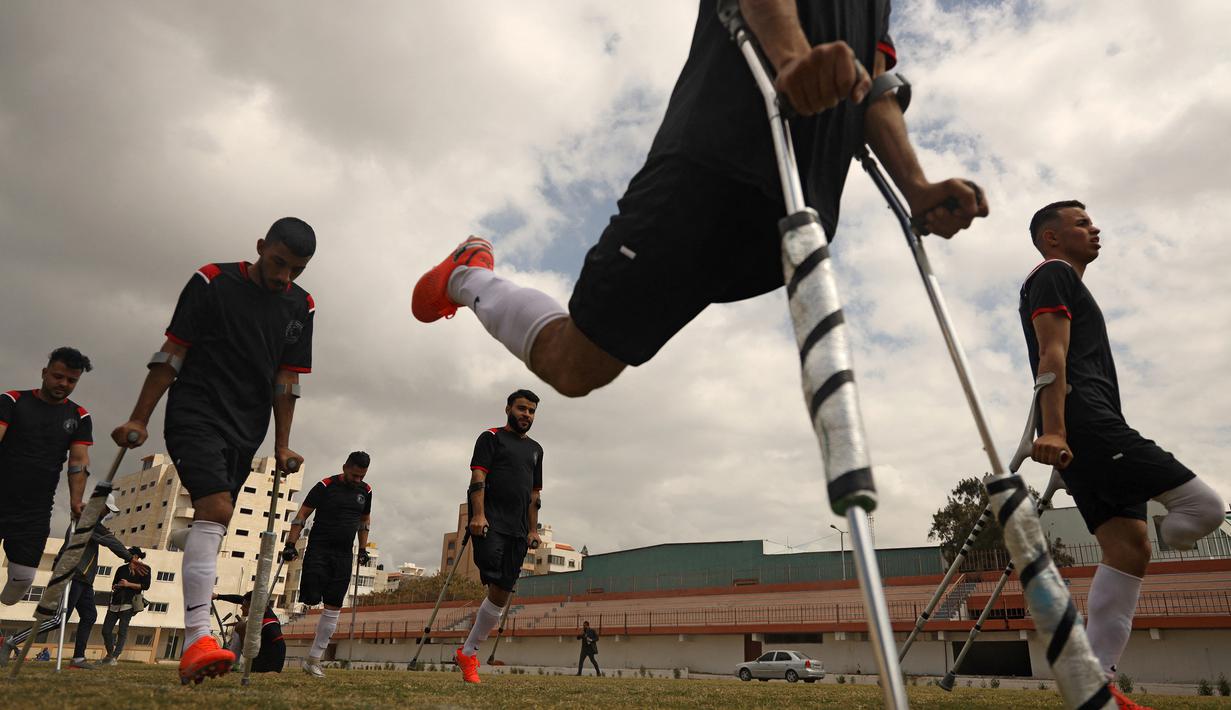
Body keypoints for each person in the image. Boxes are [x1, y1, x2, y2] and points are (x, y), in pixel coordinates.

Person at [412, 0, 988, 398]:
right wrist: (792, 59)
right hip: (712, 166)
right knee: (574, 366)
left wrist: (917, 186)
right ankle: (469, 276)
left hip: (797, 211)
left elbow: (876, 85)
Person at [1021, 200, 1225, 702]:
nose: (1094, 230)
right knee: (1205, 509)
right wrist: (1056, 431)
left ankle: (1095, 690)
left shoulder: (1070, 284)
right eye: (1081, 223)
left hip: (1092, 426)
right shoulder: (1052, 275)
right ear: (1051, 238)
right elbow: (1051, 353)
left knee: (1130, 549)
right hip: (1088, 425)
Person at [110, 217, 316, 685]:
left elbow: (287, 380)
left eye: (296, 269)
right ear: (260, 247)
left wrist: (282, 444)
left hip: (247, 424)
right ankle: (197, 639)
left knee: (216, 519)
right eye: (278, 263)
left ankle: (193, 580)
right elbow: (172, 352)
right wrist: (139, 418)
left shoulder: (301, 306)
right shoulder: (212, 281)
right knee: (217, 508)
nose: (284, 276)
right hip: (196, 410)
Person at [454, 390, 544, 684]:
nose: (526, 415)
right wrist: (477, 516)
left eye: (531, 411)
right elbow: (477, 478)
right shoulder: (490, 437)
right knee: (491, 570)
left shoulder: (536, 449)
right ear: (508, 409)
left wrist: (533, 529)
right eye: (521, 408)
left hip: (518, 529)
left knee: (502, 592)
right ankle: (468, 651)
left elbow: (534, 495)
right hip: (490, 522)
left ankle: (467, 653)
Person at [0, 494, 148, 668]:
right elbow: (110, 540)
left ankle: (78, 658)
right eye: (106, 509)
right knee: (57, 619)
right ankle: (11, 641)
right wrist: (129, 557)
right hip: (72, 574)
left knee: (89, 615)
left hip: (84, 579)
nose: (107, 513)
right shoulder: (86, 521)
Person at [0, 347, 94, 606]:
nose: (63, 384)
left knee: (21, 580)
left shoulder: (79, 416)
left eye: (71, 380)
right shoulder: (13, 400)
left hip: (35, 509)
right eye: (58, 376)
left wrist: (76, 501)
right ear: (45, 373)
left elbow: (78, 461)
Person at [281, 451, 372, 678]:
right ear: (345, 467)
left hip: (343, 555)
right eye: (354, 475)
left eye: (361, 476)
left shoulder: (366, 491)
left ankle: (314, 660)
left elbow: (364, 521)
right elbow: (302, 514)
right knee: (311, 597)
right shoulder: (325, 486)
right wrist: (291, 543)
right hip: (319, 550)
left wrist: (363, 549)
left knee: (334, 606)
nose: (357, 480)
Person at [214, 591, 286, 673]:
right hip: (259, 653)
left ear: (254, 607)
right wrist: (218, 596)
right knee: (241, 626)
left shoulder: (269, 623)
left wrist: (274, 669)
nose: (241, 608)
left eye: (244, 606)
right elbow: (239, 599)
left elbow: (280, 646)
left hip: (267, 664)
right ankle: (232, 663)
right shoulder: (258, 607)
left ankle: (233, 663)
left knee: (241, 626)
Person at [101, 546, 151, 665]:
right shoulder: (121, 569)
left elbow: (145, 586)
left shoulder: (145, 569)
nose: (126, 557)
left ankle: (115, 656)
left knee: (122, 631)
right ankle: (110, 653)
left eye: (129, 555)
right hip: (115, 603)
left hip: (129, 604)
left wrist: (128, 584)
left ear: (136, 556)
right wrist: (117, 585)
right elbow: (114, 584)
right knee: (106, 630)